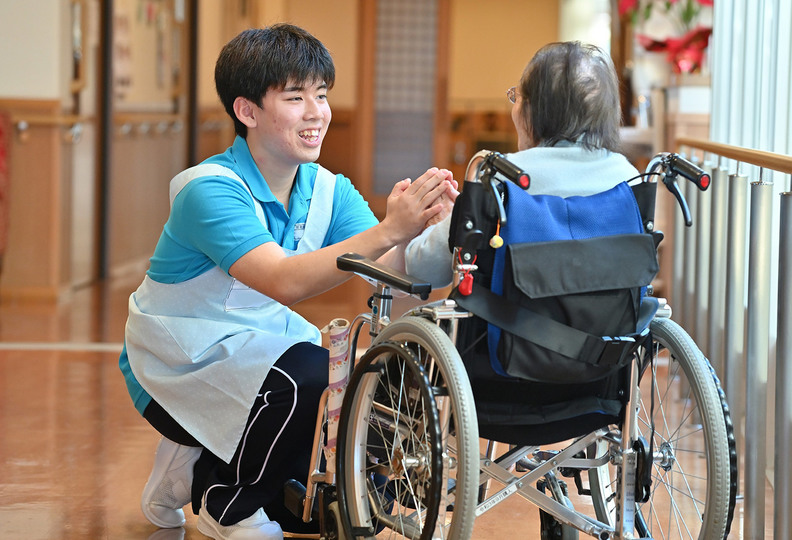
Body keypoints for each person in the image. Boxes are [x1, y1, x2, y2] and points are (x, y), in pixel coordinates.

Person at [119, 24, 455, 540]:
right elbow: (282, 282)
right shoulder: (208, 190)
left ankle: (190, 466)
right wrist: (391, 225)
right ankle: (222, 504)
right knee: (308, 374)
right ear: (247, 111)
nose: (317, 112)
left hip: (251, 354)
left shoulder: (326, 189)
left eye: (321, 95)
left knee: (311, 512)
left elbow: (396, 269)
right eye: (296, 97)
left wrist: (442, 233)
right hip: (174, 363)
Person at [405, 41, 640, 286]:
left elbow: (424, 269)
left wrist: (451, 221)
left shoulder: (501, 178)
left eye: (516, 97)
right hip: (612, 322)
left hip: (513, 322)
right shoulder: (628, 177)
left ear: (534, 111)